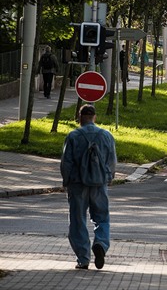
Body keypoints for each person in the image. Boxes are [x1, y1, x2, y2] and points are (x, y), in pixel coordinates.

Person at [60, 105, 117, 270]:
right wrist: (109, 177)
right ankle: (100, 243)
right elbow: (112, 161)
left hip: (78, 184)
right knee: (102, 218)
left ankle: (83, 258)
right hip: (99, 184)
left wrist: (66, 181)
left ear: (80, 117)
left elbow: (67, 162)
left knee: (78, 221)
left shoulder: (73, 136)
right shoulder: (106, 136)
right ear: (95, 117)